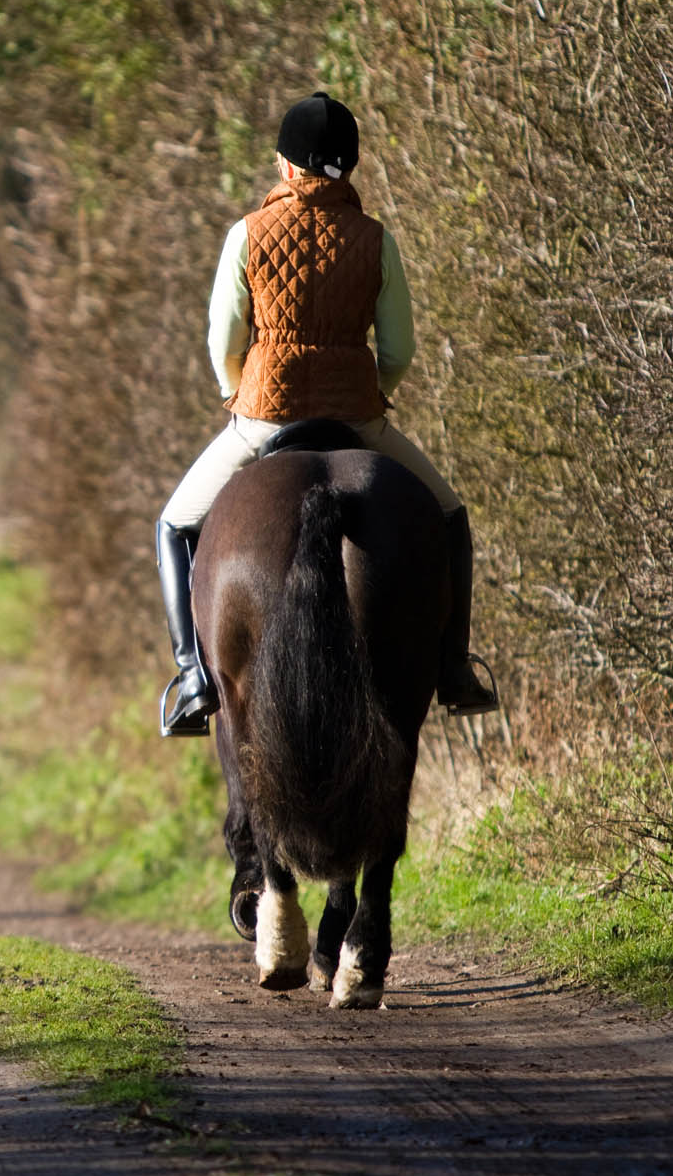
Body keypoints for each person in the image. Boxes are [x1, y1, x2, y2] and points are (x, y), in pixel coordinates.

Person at [156, 91, 498, 737]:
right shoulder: (375, 240)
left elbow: (220, 341)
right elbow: (399, 349)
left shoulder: (247, 235)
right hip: (358, 417)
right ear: (350, 167)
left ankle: (194, 677)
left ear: (287, 166)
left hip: (262, 417)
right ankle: (454, 669)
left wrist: (242, 395)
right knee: (450, 517)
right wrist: (370, 394)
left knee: (174, 524)